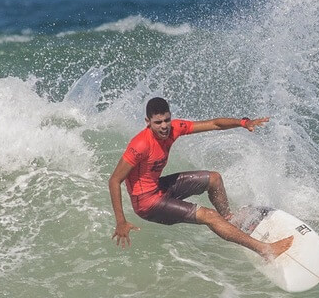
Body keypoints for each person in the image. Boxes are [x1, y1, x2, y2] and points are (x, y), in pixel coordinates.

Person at [108, 97, 294, 260]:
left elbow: (214, 124)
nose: (164, 126)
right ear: (148, 122)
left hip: (158, 187)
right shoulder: (140, 145)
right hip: (147, 203)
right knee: (209, 216)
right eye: (158, 122)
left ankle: (229, 220)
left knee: (214, 179)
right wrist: (121, 222)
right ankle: (265, 250)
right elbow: (115, 180)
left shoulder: (174, 129)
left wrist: (243, 123)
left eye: (167, 120)